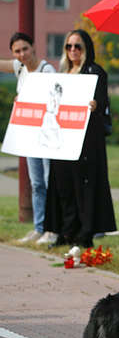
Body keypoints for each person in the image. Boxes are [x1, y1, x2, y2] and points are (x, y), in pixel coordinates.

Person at [43, 29, 116, 248]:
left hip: (85, 141)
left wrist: (96, 105)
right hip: (62, 139)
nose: (73, 50)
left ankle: (84, 234)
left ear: (86, 49)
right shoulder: (62, 73)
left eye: (77, 46)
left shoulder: (95, 72)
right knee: (63, 186)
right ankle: (66, 232)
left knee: (83, 186)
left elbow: (103, 103)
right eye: (69, 46)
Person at [1, 32, 56, 245]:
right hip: (30, 134)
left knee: (50, 181)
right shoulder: (19, 68)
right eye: (17, 51)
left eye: (25, 48)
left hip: (48, 135)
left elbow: (55, 98)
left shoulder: (47, 69)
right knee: (37, 183)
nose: (22, 54)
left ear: (33, 47)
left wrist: (26, 99)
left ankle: (52, 229)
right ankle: (39, 228)